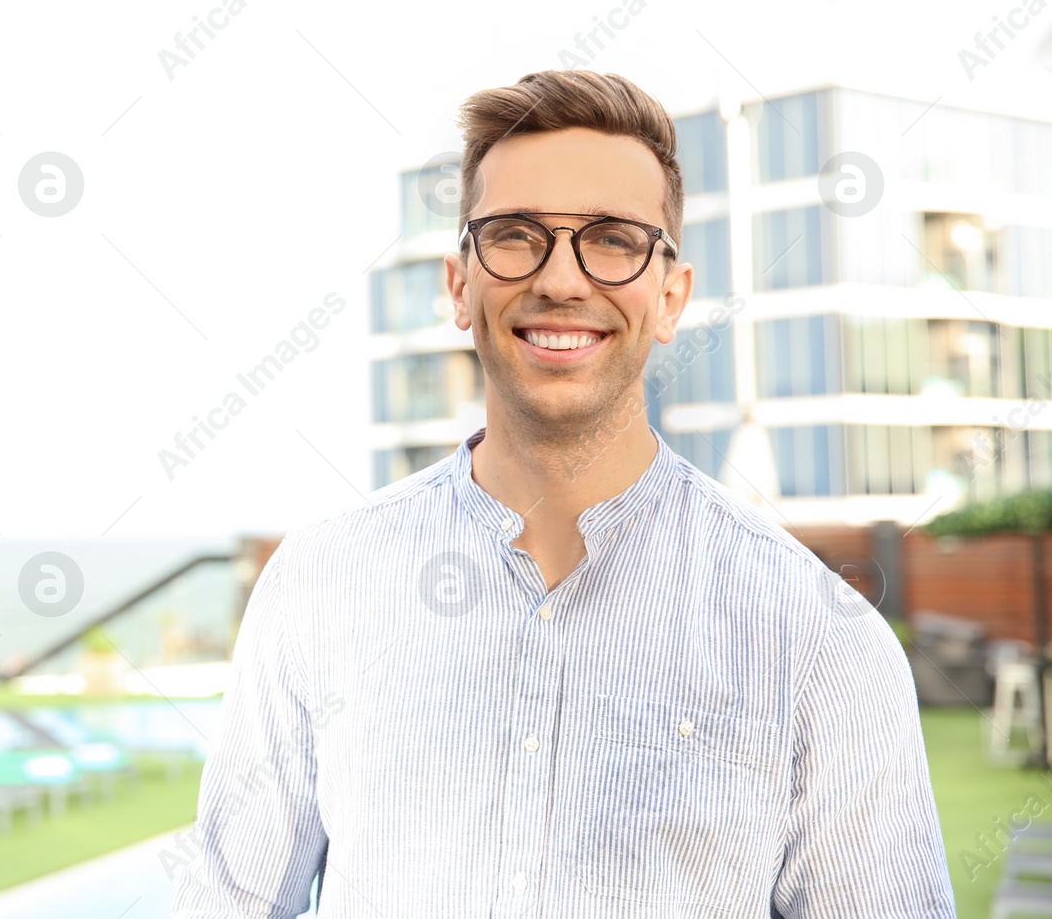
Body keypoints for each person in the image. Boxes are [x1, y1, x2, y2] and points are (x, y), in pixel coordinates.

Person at [170, 70, 955, 917]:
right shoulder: (319, 584)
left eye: (613, 239)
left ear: (670, 296)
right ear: (460, 285)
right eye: (515, 235)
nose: (561, 279)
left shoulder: (820, 644)